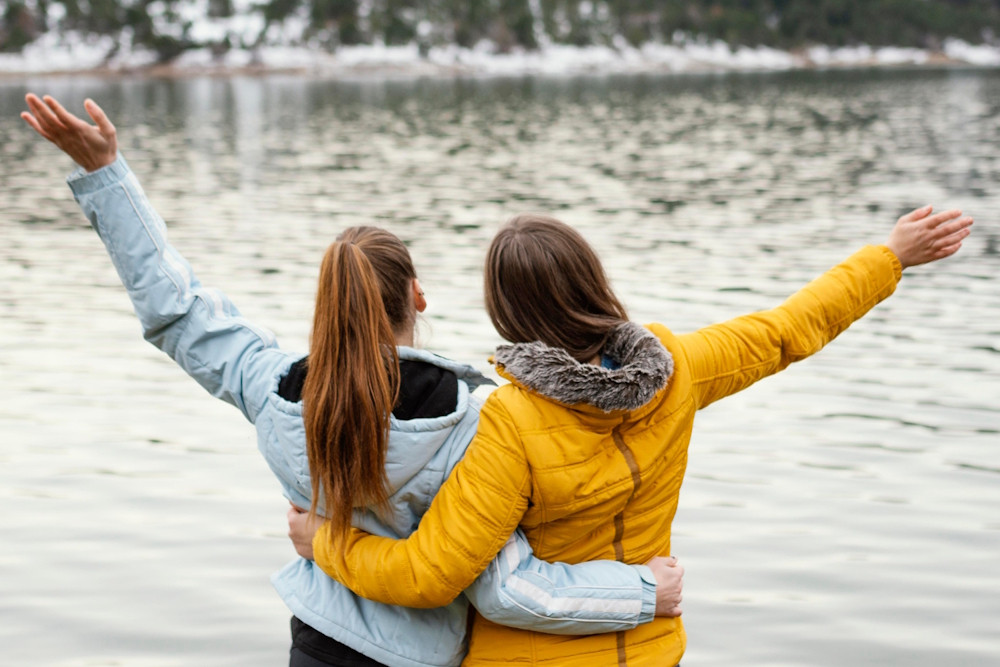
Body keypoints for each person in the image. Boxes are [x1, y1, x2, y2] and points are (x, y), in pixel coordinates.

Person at [20, 94, 686, 667]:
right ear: (417, 296)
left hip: (314, 644)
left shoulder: (272, 385)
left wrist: (105, 172)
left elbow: (177, 309)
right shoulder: (481, 419)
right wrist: (641, 592)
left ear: (327, 303)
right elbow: (505, 589)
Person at [292, 203, 973, 662]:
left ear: (504, 313)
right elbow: (791, 328)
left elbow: (431, 572)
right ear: (593, 280)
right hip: (650, 649)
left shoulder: (510, 422)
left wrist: (326, 540)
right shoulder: (676, 369)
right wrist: (891, 255)